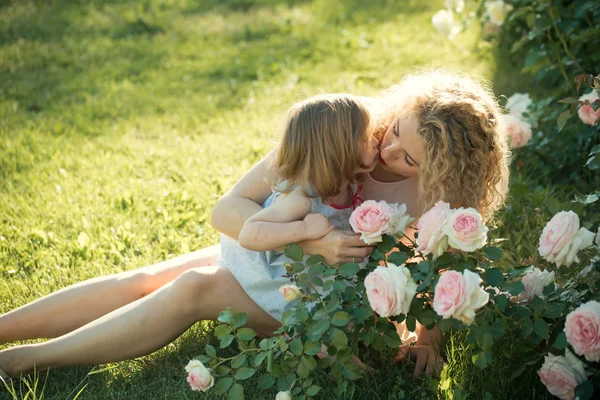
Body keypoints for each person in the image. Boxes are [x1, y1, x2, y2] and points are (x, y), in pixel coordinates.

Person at [0, 69, 510, 382]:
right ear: (400, 109)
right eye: (397, 131)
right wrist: (309, 238)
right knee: (148, 279)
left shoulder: (439, 199)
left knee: (193, 290)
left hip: (321, 300)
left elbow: (443, 275)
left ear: (440, 172)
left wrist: (427, 340)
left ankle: (27, 362)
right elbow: (227, 212)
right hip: (272, 250)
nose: (388, 150)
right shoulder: (347, 127)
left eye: (410, 160)